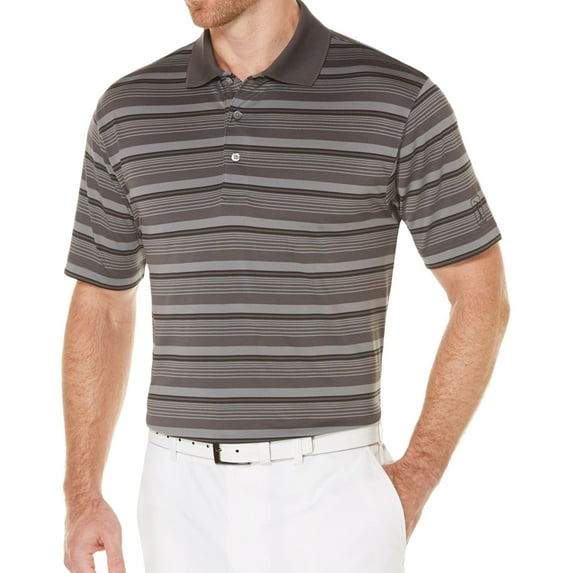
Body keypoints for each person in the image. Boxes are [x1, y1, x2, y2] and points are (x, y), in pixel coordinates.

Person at [61, 0, 510, 571]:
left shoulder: (396, 101)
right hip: (176, 494)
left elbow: (482, 298)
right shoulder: (128, 111)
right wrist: (83, 495)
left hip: (333, 491)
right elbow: (101, 305)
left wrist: (417, 476)